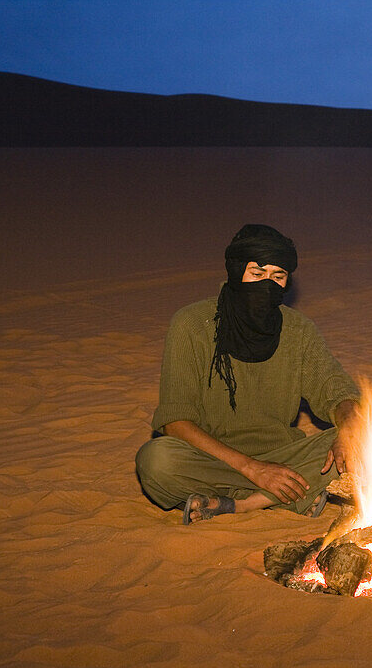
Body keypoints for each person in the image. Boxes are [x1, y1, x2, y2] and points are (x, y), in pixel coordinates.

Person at [135, 224, 360, 524]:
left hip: (284, 457)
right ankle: (282, 497)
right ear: (236, 271)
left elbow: (339, 393)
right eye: (257, 273)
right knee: (156, 460)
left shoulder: (298, 330)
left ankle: (241, 504)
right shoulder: (191, 324)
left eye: (277, 277)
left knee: (365, 435)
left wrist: (347, 429)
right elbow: (176, 423)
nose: (266, 285)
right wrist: (254, 470)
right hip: (213, 458)